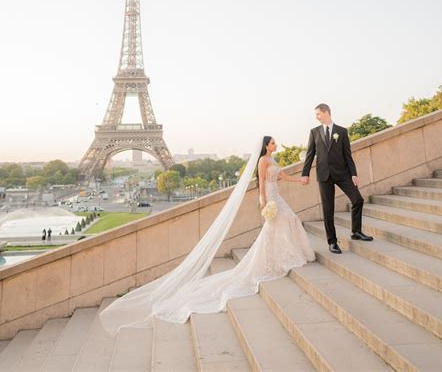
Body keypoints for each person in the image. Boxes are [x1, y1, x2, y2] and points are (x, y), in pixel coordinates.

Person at [99, 136, 315, 334]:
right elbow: (260, 182)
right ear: (266, 145)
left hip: (277, 195)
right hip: (270, 197)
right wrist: (262, 200)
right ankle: (278, 257)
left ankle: (282, 255)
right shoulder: (262, 162)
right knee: (277, 227)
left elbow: (284, 175)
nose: (276, 144)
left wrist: (301, 180)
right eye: (273, 142)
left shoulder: (273, 160)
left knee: (284, 224)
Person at [301, 103, 373, 253]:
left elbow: (348, 154)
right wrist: (305, 174)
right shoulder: (314, 132)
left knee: (357, 199)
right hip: (324, 175)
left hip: (342, 174)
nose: (316, 117)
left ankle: (356, 232)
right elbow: (310, 154)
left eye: (318, 114)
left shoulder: (341, 131)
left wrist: (353, 173)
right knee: (328, 210)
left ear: (326, 112)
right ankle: (332, 241)